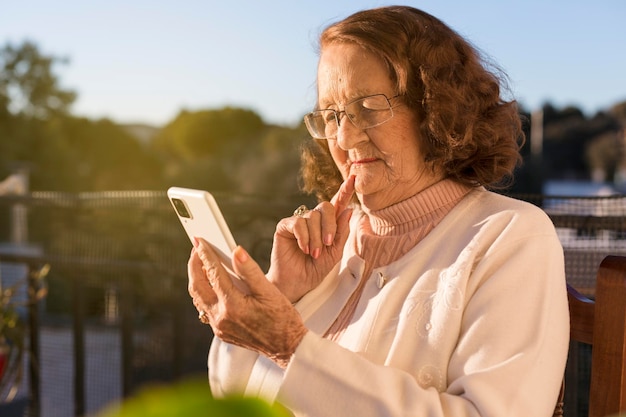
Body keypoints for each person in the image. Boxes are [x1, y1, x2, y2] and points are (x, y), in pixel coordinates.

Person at [187, 6, 569, 417]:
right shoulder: (329, 244)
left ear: (437, 110)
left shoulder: (512, 237)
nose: (345, 136)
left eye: (368, 106)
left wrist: (289, 346)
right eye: (331, 115)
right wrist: (278, 295)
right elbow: (229, 394)